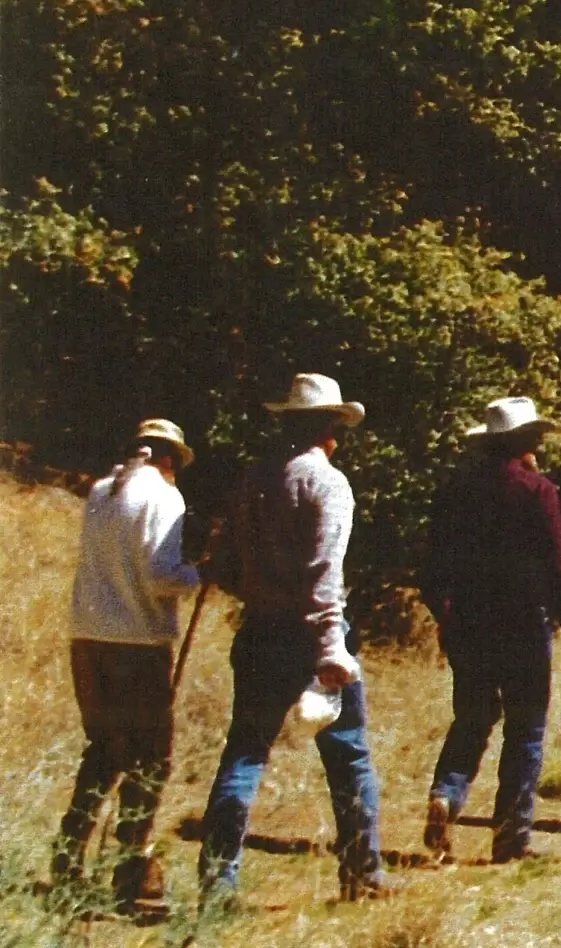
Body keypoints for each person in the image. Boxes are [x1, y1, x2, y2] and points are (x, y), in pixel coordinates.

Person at [197, 375, 390, 904]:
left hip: (260, 629)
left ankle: (217, 882)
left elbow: (228, 569)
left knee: (245, 753)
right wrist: (331, 647)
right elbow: (324, 573)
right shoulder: (326, 483)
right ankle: (363, 874)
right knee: (348, 755)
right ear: (328, 428)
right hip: (311, 635)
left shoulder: (252, 481)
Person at [419, 397, 561, 866]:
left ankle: (446, 794)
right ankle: (511, 837)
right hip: (524, 624)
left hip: (470, 622)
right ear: (525, 440)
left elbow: (432, 569)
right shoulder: (537, 491)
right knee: (526, 728)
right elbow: (559, 563)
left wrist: (445, 614)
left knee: (472, 716)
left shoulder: (454, 490)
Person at [56, 419, 200, 918]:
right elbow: (162, 577)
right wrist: (202, 572)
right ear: (170, 459)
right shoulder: (164, 497)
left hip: (88, 639)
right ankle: (131, 871)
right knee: (149, 758)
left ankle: (67, 855)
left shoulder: (101, 491)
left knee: (103, 748)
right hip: (137, 644)